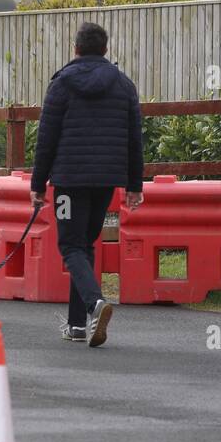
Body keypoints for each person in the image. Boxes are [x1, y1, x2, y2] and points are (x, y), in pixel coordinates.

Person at [30, 21, 144, 347]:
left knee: (70, 245)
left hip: (69, 180)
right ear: (105, 50)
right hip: (106, 179)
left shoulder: (62, 84)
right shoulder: (123, 86)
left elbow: (46, 139)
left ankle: (95, 304)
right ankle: (78, 325)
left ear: (75, 48)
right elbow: (134, 140)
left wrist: (38, 184)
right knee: (85, 244)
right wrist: (135, 184)